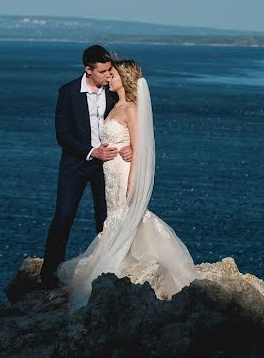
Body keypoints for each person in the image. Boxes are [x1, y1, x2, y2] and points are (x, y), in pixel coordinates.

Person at [57, 59, 197, 309]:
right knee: (114, 219)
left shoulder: (131, 108)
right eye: (107, 74)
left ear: (125, 78)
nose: (109, 78)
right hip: (109, 174)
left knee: (127, 215)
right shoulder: (116, 105)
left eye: (113, 75)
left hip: (122, 173)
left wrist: (133, 178)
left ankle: (128, 265)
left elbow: (141, 144)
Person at [40, 45, 133, 288]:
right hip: (76, 164)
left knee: (105, 217)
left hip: (109, 166)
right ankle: (49, 273)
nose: (108, 76)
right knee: (63, 216)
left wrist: (132, 146)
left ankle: (106, 270)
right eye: (102, 72)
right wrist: (92, 152)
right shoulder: (68, 92)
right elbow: (63, 134)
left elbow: (132, 120)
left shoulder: (113, 92)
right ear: (88, 70)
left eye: (109, 71)